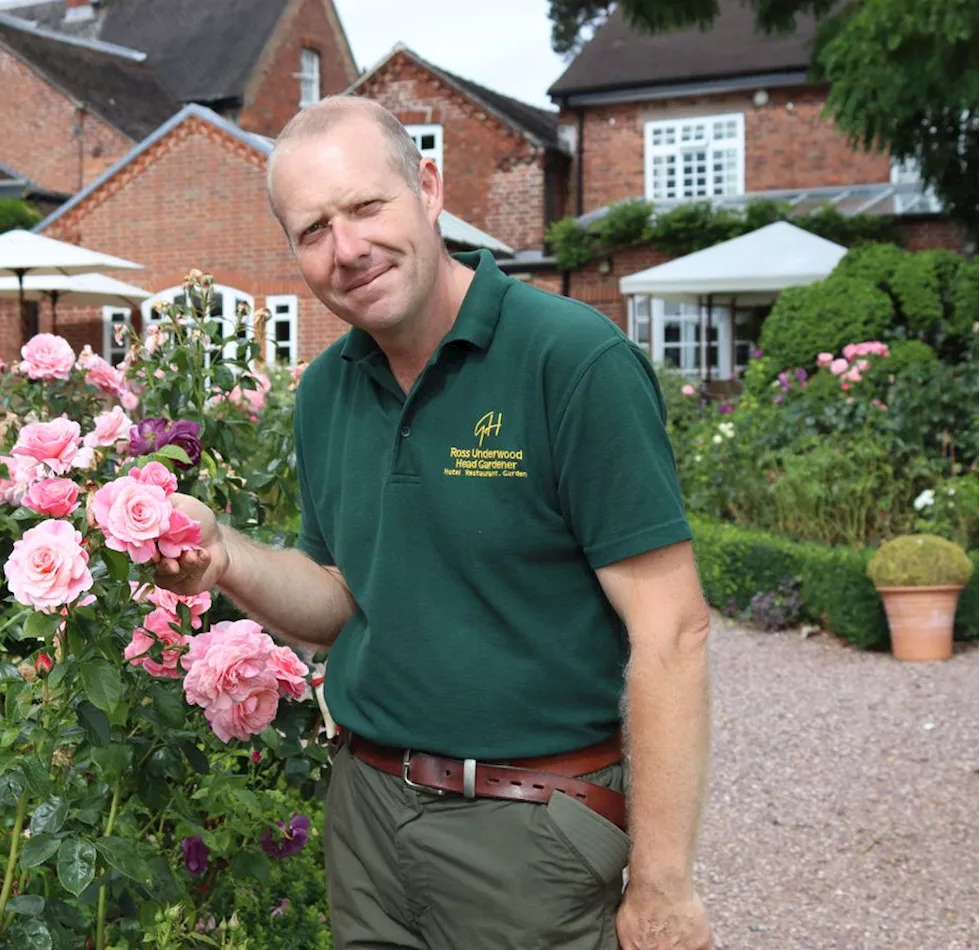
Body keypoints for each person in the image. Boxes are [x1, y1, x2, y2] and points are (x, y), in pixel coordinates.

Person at [153, 95, 713, 950]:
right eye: (313, 231)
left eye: (367, 207)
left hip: (531, 832)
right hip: (369, 819)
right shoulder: (328, 389)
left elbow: (672, 631)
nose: (347, 250)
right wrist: (225, 556)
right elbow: (343, 597)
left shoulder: (571, 360)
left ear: (429, 187)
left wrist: (664, 882)